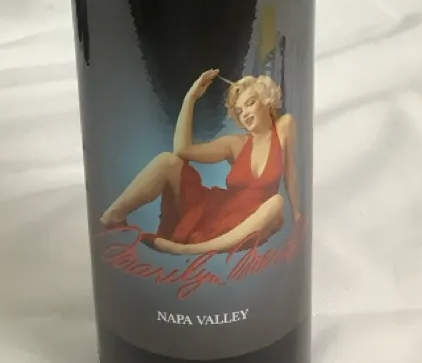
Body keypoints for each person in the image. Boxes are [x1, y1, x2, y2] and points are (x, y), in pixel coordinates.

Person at [100, 68, 301, 255]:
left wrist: (297, 213)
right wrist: (191, 98)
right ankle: (113, 217)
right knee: (168, 161)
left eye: (250, 103)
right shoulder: (235, 144)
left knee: (276, 204)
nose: (245, 114)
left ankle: (189, 250)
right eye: (239, 111)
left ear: (267, 100)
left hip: (254, 223)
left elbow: (291, 172)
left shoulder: (285, 126)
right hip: (218, 213)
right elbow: (182, 150)